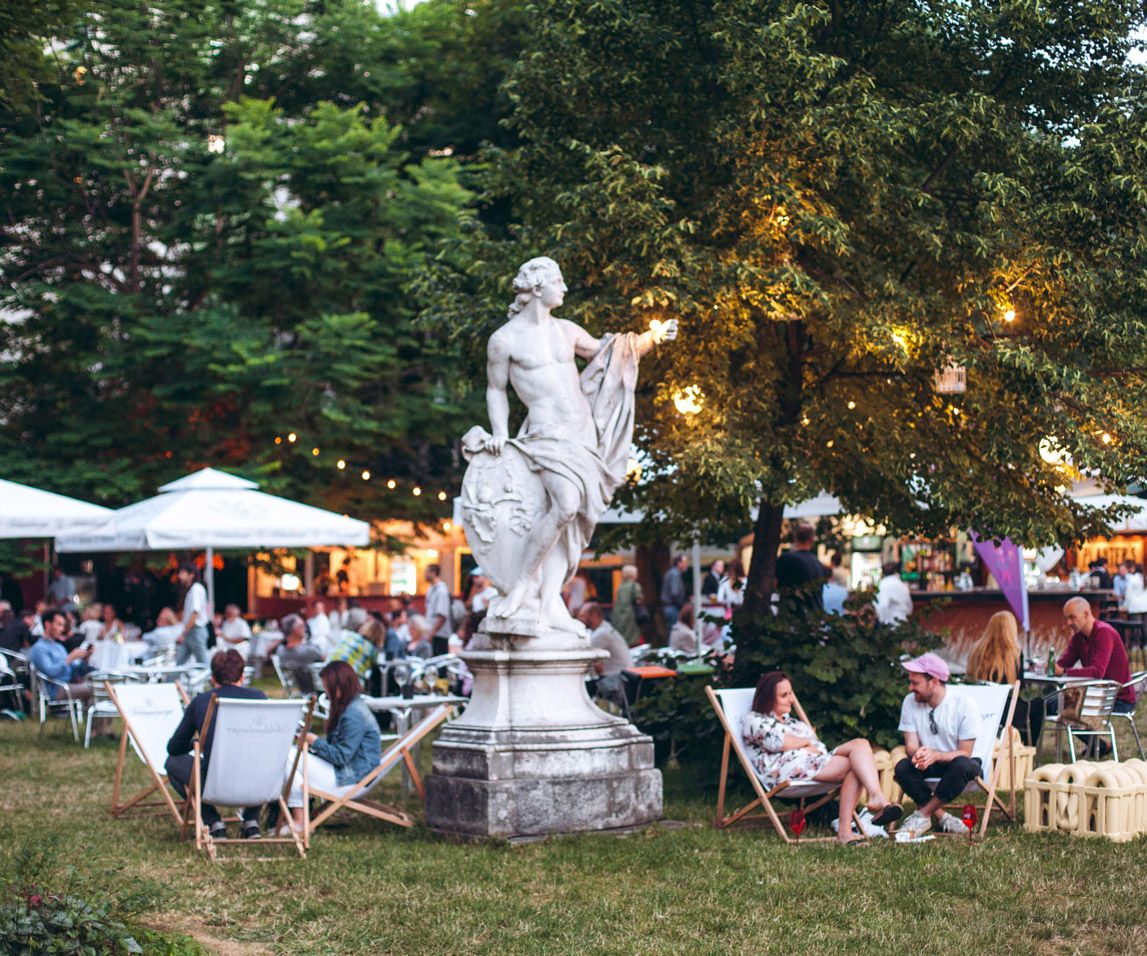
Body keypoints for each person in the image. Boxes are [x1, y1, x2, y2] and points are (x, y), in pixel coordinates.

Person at [470, 256, 678, 630]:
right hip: (545, 437)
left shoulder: (566, 330)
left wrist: (652, 338)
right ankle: (520, 586)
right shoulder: (504, 340)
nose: (564, 288)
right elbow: (495, 390)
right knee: (565, 505)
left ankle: (550, 603)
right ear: (537, 287)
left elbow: (611, 352)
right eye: (558, 281)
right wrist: (499, 431)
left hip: (583, 436)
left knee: (570, 527)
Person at [742, 671, 902, 845]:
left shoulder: (794, 723)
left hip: (812, 763)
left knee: (860, 746)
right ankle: (865, 809)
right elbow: (777, 743)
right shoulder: (754, 720)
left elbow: (819, 748)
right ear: (767, 698)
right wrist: (805, 742)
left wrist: (803, 744)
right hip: (786, 771)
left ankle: (866, 807)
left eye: (791, 694)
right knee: (856, 759)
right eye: (784, 695)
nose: (791, 699)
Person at [165, 649, 266, 840]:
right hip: (259, 784)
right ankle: (251, 821)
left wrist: (195, 742)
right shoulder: (260, 698)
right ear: (242, 676)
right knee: (257, 759)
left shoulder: (202, 701)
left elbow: (174, 748)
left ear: (213, 678)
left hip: (216, 783)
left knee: (173, 763)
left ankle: (213, 822)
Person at [283, 660, 381, 835]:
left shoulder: (353, 714)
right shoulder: (350, 706)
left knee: (289, 756)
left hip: (351, 779)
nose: (325, 691)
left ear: (339, 685)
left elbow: (341, 756)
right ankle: (298, 816)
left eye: (327, 686)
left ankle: (300, 820)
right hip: (349, 772)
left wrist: (314, 741)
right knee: (291, 757)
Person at [894, 652, 982, 836]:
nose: (910, 688)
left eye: (915, 683)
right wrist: (919, 753)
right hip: (928, 763)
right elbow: (910, 744)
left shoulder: (964, 705)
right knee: (903, 767)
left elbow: (965, 752)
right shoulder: (910, 703)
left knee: (963, 765)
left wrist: (936, 755)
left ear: (933, 681)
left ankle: (922, 814)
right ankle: (943, 817)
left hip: (958, 763)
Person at [965, 609, 1043, 746]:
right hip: (1007, 706)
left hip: (981, 703)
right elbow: (1020, 686)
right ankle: (1028, 744)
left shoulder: (976, 650)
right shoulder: (1013, 653)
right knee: (1039, 704)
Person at [1055, 596, 1135, 711]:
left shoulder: (1104, 632)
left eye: (1072, 617)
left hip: (1116, 698)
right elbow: (1063, 663)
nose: (1068, 623)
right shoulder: (1079, 637)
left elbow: (1097, 672)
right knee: (1041, 703)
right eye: (1067, 618)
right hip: (1095, 693)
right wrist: (1049, 666)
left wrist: (1064, 672)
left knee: (1051, 705)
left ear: (1086, 614)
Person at [28, 607, 94, 707]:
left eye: (62, 625)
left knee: (99, 684)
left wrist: (85, 657)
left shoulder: (58, 646)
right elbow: (50, 672)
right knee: (94, 688)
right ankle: (96, 721)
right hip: (56, 690)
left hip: (69, 684)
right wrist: (69, 658)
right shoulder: (38, 648)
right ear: (47, 624)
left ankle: (94, 719)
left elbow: (73, 667)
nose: (62, 629)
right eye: (59, 624)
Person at [578, 602, 630, 707]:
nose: (579, 620)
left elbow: (585, 660)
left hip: (615, 680)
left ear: (593, 616)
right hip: (620, 677)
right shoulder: (605, 628)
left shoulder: (601, 634)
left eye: (582, 616)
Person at [775, 524, 829, 611]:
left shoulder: (785, 559)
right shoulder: (818, 564)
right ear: (811, 540)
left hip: (793, 617)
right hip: (815, 617)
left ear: (794, 537)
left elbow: (774, 584)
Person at [275, 614, 323, 694]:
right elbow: (323, 656)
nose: (305, 628)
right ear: (293, 630)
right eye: (301, 626)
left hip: (295, 688)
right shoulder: (306, 650)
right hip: (314, 689)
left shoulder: (281, 650)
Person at [328, 617, 385, 683]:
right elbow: (377, 667)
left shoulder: (350, 636)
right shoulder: (372, 650)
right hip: (349, 683)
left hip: (328, 676)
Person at [175, 563, 209, 665]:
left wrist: (184, 633)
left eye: (183, 573)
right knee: (179, 662)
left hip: (195, 630)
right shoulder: (192, 590)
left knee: (203, 662)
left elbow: (195, 613)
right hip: (191, 631)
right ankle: (172, 680)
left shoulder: (196, 589)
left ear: (191, 575)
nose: (179, 576)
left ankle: (210, 680)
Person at [423, 564, 452, 657]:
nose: (424, 574)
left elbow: (442, 615)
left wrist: (432, 633)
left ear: (433, 573)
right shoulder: (430, 589)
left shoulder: (441, 590)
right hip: (431, 632)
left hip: (439, 634)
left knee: (439, 663)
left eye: (426, 572)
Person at [611, 564, 642, 645]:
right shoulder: (634, 585)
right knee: (633, 640)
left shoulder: (620, 586)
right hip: (631, 616)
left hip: (618, 615)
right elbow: (638, 600)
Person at [874, 561, 913, 625]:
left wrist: (882, 621)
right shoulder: (902, 584)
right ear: (895, 571)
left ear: (883, 573)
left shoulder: (884, 584)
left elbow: (883, 605)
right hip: (904, 622)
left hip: (891, 623)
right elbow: (909, 606)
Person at [660, 554, 688, 631]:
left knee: (671, 631)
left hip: (670, 607)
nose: (686, 564)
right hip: (673, 608)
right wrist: (681, 605)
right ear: (679, 563)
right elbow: (675, 592)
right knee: (674, 632)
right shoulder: (675, 574)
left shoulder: (672, 573)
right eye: (685, 562)